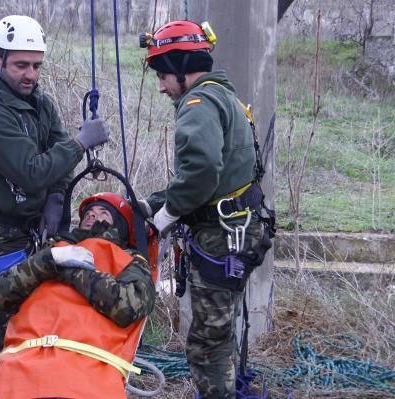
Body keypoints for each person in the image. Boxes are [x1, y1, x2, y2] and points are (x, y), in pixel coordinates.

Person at [0, 15, 110, 382]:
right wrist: (80, 143)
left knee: (36, 312)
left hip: (30, 225)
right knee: (9, 314)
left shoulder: (38, 101)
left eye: (37, 65)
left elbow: (55, 161)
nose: (30, 74)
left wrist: (55, 199)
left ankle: (32, 383)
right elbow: (33, 170)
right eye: (20, 65)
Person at [138, 20, 273, 398]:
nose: (162, 86)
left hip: (221, 239)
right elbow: (218, 175)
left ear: (183, 69)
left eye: (164, 76)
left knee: (206, 343)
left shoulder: (197, 103)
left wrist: (165, 216)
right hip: (240, 230)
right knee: (219, 332)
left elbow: (200, 173)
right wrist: (157, 201)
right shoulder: (227, 98)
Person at [0, 192, 157, 399]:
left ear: (119, 224)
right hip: (19, 369)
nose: (93, 216)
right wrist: (50, 259)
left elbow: (130, 305)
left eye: (103, 213)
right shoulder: (52, 250)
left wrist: (66, 269)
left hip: (85, 374)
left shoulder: (130, 261)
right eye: (88, 213)